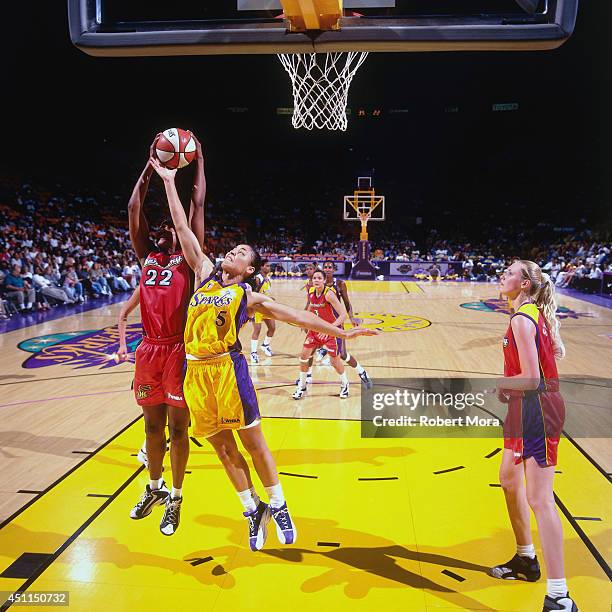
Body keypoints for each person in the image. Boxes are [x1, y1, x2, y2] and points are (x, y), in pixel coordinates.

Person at [149, 156, 377, 551]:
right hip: (196, 373)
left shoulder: (248, 296)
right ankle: (252, 509)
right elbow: (183, 225)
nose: (232, 252)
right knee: (222, 448)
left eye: (241, 252)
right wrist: (169, 181)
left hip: (228, 371)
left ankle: (279, 503)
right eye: (233, 249)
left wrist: (343, 330)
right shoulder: (203, 274)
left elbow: (298, 315)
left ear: (249, 269)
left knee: (253, 444)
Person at [127, 135, 205, 536]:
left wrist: (198, 159)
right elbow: (133, 207)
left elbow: (196, 206)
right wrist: (151, 166)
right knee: (151, 428)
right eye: (156, 228)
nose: (161, 230)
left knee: (178, 430)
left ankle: (175, 498)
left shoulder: (189, 260)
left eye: (167, 228)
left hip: (178, 349)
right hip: (149, 350)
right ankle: (153, 489)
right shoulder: (147, 256)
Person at [492, 260, 578, 612]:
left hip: (537, 407)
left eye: (510, 272)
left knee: (540, 499)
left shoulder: (521, 318)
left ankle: (560, 596)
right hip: (523, 406)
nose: (503, 274)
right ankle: (526, 559)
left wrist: (501, 385)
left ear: (525, 284)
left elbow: (531, 378)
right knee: (509, 479)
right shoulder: (527, 314)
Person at [293, 269, 352, 400]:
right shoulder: (311, 291)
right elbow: (310, 308)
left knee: (334, 361)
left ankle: (345, 383)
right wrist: (305, 321)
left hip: (331, 330)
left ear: (325, 280)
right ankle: (302, 386)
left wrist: (329, 329)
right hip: (315, 329)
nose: (316, 280)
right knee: (303, 357)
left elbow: (343, 315)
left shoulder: (329, 294)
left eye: (319, 278)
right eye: (314, 278)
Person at [322, 261, 372, 389]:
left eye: (330, 267)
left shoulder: (339, 284)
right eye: (325, 267)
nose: (327, 269)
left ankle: (362, 372)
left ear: (334, 269)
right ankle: (305, 379)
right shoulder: (318, 284)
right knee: (309, 351)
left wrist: (351, 317)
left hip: (337, 322)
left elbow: (347, 303)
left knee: (343, 354)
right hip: (322, 323)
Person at [250, 260, 275, 364]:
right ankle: (253, 353)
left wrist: (270, 298)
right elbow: (253, 293)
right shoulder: (258, 278)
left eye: (269, 266)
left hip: (266, 307)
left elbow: (265, 293)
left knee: (272, 328)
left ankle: (265, 345)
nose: (269, 268)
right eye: (267, 266)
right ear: (261, 267)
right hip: (257, 308)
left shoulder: (268, 279)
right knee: (257, 330)